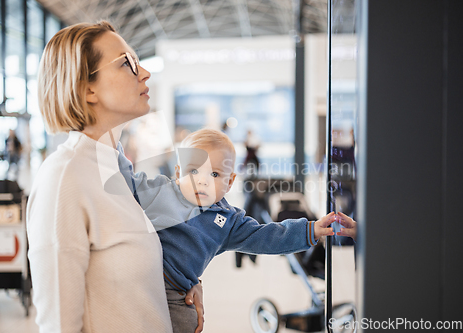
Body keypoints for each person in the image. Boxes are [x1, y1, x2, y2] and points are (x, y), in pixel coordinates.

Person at [26, 21, 204, 333]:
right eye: (127, 63)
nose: (145, 73)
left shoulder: (114, 168)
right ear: (87, 88)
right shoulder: (64, 177)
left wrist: (179, 287)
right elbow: (58, 325)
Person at [118, 128, 357, 332]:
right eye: (193, 171)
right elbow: (128, 180)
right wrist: (112, 144)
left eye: (214, 174)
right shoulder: (162, 192)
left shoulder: (228, 221)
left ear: (230, 182)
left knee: (189, 323)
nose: (202, 180)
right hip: (142, 276)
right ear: (179, 173)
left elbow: (266, 237)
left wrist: (311, 229)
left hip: (178, 292)